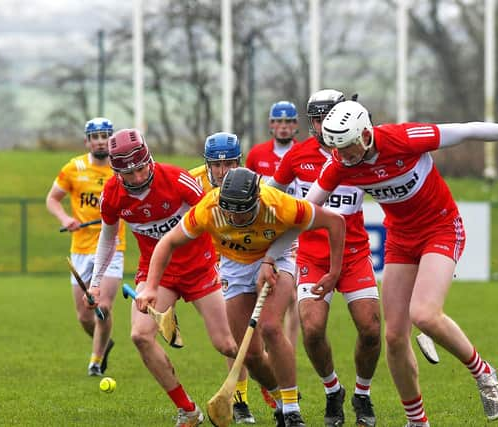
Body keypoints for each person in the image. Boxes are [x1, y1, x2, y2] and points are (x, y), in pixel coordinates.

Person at [307, 100, 498, 426]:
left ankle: (484, 373)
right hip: (400, 241)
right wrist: (268, 244)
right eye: (338, 149)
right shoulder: (340, 164)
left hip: (441, 228)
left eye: (348, 147)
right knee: (393, 338)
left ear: (365, 134)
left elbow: (468, 131)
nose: (344, 156)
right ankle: (417, 421)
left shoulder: (404, 138)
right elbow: (303, 210)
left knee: (424, 315)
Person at [138, 167, 347, 427]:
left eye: (242, 210)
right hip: (234, 267)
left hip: (277, 257)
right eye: (230, 210)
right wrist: (150, 287)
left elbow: (335, 222)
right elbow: (167, 242)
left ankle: (292, 410)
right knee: (249, 355)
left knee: (270, 327)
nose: (235, 217)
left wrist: (334, 271)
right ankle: (280, 400)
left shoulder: (278, 204)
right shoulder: (210, 208)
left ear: (256, 201)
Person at [86, 128, 238, 427]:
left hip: (200, 268)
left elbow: (215, 220)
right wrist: (94, 282)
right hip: (156, 276)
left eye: (142, 168)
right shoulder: (112, 195)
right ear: (117, 172)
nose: (139, 177)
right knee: (140, 336)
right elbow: (107, 240)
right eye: (130, 173)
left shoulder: (179, 180)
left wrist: (233, 264)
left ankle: (268, 399)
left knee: (228, 345)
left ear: (149, 160)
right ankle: (188, 410)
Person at [267, 89, 381, 427]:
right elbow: (271, 195)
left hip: (355, 251)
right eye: (314, 119)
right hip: (312, 255)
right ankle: (333, 390)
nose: (319, 125)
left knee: (371, 328)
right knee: (313, 329)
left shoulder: (360, 152)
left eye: (325, 117)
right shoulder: (297, 156)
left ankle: (363, 393)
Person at [189, 132, 265, 424]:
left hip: (249, 258)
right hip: (214, 263)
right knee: (234, 336)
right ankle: (240, 400)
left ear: (239, 162)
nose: (222, 172)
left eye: (229, 164)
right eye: (216, 165)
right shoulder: (193, 181)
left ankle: (274, 388)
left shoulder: (253, 182)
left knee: (264, 331)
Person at [45, 117, 126, 377]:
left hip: (113, 245)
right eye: (95, 137)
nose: (100, 141)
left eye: (105, 136)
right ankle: (103, 341)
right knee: (84, 316)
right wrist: (66, 218)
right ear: (87, 141)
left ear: (111, 140)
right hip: (80, 248)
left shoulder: (121, 168)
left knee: (102, 306)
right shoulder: (74, 167)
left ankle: (95, 360)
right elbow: (53, 199)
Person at [245, 100, 301, 380]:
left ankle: (285, 349)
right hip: (265, 230)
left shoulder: (302, 153)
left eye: (288, 121)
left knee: (292, 296)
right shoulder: (257, 154)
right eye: (278, 121)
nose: (283, 126)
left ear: (296, 125)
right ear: (270, 124)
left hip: (296, 230)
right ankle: (269, 343)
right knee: (264, 289)